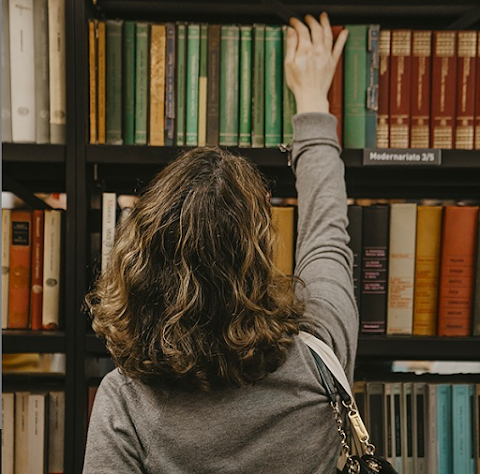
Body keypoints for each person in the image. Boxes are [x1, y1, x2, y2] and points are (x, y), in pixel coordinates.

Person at [83, 13, 357, 474]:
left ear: (139, 256)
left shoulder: (124, 400)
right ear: (259, 257)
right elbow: (328, 234)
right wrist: (312, 103)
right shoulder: (320, 353)